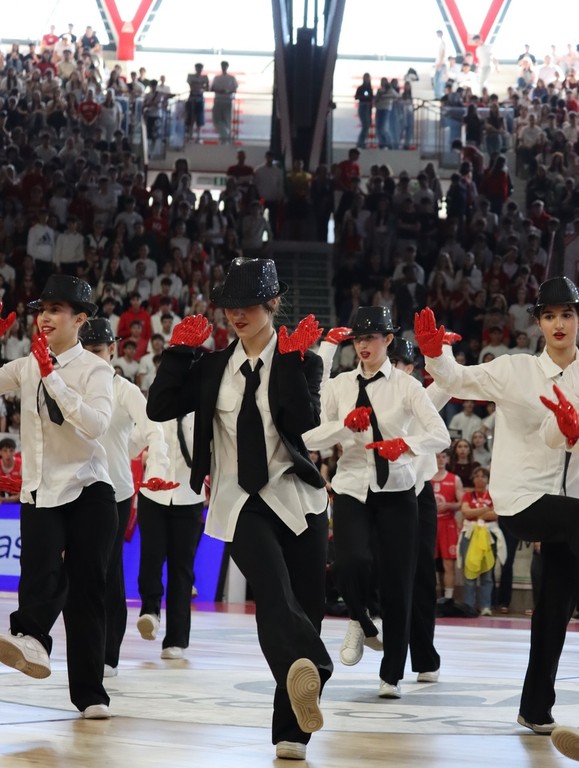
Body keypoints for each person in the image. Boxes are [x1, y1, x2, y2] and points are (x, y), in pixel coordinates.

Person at [146, 257, 333, 761]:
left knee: (304, 608)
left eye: (248, 304)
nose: (237, 314)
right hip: (240, 500)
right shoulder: (212, 368)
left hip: (298, 499)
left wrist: (292, 363)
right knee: (273, 591)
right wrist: (179, 352)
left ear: (272, 303)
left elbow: (305, 423)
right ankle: (318, 665)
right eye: (230, 305)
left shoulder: (303, 360)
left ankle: (292, 732)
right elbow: (158, 407)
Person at [414, 275, 579, 736]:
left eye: (567, 314)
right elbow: (455, 379)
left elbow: (559, 436)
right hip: (523, 499)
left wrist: (572, 429)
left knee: (553, 610)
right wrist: (435, 353)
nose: (559, 323)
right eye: (550, 315)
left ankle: (535, 709)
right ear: (538, 323)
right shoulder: (514, 370)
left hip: (570, 510)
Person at [304, 306, 449, 699]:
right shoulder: (339, 386)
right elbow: (309, 437)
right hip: (352, 487)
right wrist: (342, 426)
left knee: (398, 583)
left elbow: (440, 435)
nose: (363, 345)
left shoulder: (407, 387)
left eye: (371, 338)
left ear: (388, 340)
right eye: (358, 339)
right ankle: (359, 618)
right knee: (350, 562)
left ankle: (392, 675)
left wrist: (405, 445)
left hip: (398, 491)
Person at [0, 275, 117, 719]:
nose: (45, 318)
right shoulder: (26, 365)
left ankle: (90, 695)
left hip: (88, 489)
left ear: (80, 319)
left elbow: (96, 425)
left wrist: (56, 380)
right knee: (39, 571)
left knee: (87, 590)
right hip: (39, 490)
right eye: (42, 310)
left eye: (55, 310)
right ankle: (32, 640)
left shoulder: (96, 369)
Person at [79, 318, 172, 677]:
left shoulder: (125, 391)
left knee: (109, 569)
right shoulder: (71, 387)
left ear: (113, 349)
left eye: (98, 350)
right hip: (76, 489)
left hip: (115, 491)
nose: (92, 357)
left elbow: (153, 430)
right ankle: (87, 650)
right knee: (82, 572)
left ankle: (108, 655)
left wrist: (156, 468)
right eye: (86, 350)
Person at [458, 466, 505, 616]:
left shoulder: (493, 495)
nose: (480, 479)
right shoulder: (468, 495)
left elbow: (495, 515)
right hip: (470, 534)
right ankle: (469, 606)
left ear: (488, 479)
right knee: (469, 570)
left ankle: (485, 606)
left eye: (483, 476)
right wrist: (485, 509)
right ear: (473, 479)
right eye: (477, 476)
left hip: (488, 534)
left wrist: (476, 513)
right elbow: (465, 513)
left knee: (487, 572)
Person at [211, 61, 238, 144]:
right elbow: (212, 88)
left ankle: (225, 138)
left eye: (225, 66)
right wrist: (220, 91)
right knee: (217, 120)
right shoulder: (217, 78)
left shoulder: (231, 78)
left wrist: (227, 91)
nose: (223, 67)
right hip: (218, 100)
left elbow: (234, 89)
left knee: (226, 120)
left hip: (227, 101)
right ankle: (224, 136)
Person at [186, 63, 209, 142]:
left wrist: (200, 86)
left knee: (199, 117)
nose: (199, 69)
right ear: (195, 68)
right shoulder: (190, 76)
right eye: (198, 68)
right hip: (192, 97)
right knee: (190, 117)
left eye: (200, 68)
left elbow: (207, 88)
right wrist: (200, 85)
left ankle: (198, 136)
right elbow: (191, 86)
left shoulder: (205, 77)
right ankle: (190, 135)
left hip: (200, 98)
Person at [355, 73, 373, 149]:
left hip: (368, 107)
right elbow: (356, 97)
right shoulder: (360, 88)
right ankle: (361, 142)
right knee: (365, 126)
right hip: (363, 106)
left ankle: (362, 142)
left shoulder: (370, 88)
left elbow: (371, 98)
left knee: (367, 126)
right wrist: (363, 97)